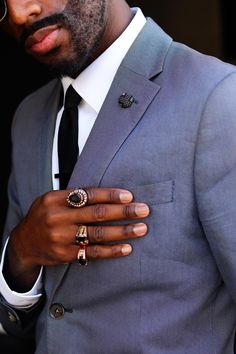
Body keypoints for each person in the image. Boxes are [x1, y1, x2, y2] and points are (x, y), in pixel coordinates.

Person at [0, 0, 236, 353]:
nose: (19, 14)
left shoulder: (218, 97)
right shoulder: (28, 117)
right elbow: (20, 327)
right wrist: (20, 254)